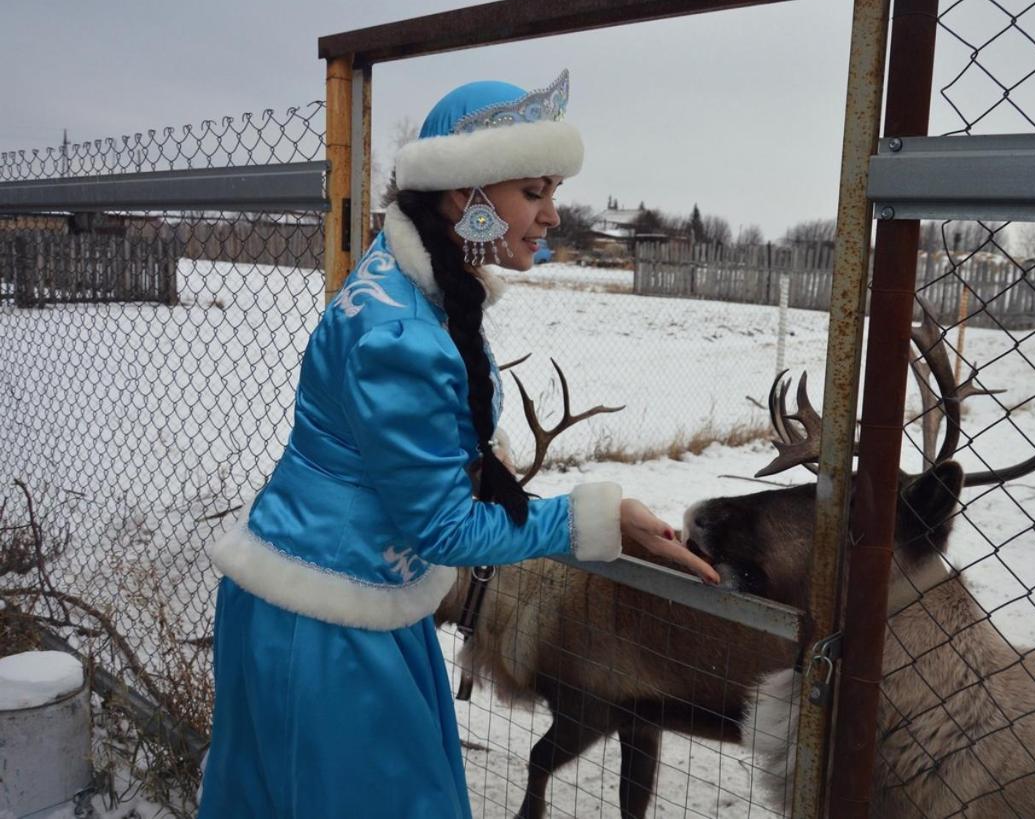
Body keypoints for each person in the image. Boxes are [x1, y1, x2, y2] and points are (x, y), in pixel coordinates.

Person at [198, 70, 718, 818]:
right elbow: (442, 526)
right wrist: (597, 521)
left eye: (552, 191)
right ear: (462, 196)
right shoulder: (402, 336)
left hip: (337, 595)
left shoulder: (411, 287)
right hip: (331, 627)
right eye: (533, 192)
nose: (553, 214)